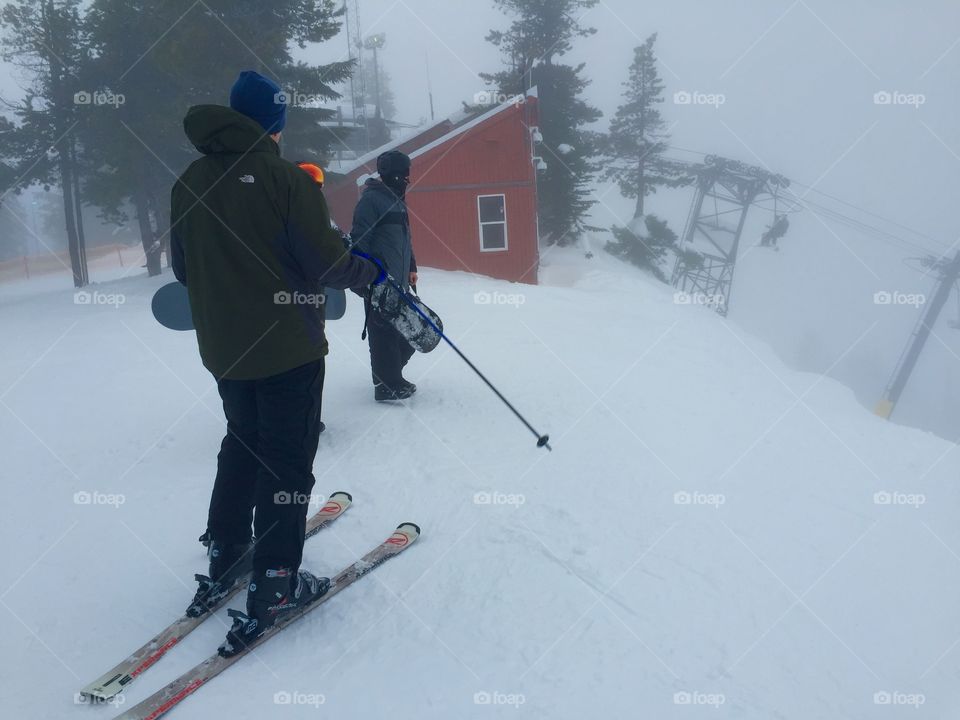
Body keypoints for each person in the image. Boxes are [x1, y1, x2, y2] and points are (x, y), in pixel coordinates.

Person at [170, 70, 384, 657]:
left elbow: (185, 270)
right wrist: (370, 271)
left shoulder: (188, 182)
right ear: (275, 124)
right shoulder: (284, 180)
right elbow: (326, 265)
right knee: (287, 463)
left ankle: (228, 547)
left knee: (242, 442)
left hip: (225, 351)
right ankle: (276, 583)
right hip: (289, 348)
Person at [351, 150, 419, 402]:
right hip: (378, 280)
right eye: (401, 174)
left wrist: (412, 266)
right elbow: (360, 240)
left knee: (412, 328)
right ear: (388, 173)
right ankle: (386, 385)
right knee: (383, 332)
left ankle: (391, 374)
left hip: (399, 280)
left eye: (406, 174)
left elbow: (405, 240)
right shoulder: (371, 200)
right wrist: (367, 275)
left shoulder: (398, 201)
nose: (405, 179)